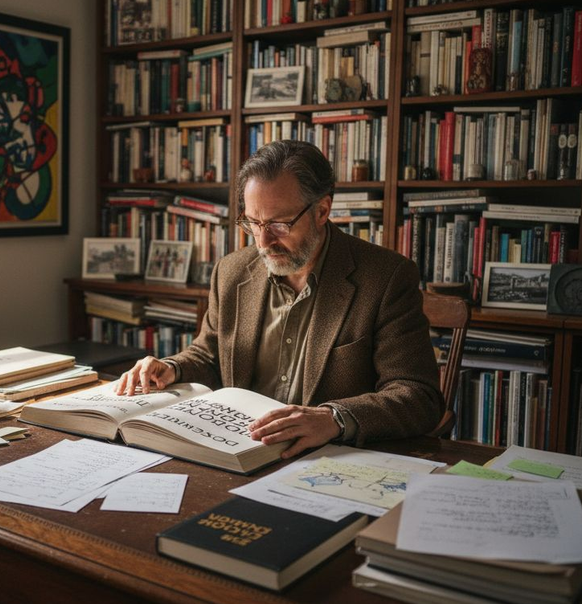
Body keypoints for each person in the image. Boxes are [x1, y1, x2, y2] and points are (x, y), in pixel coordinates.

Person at [114, 140, 443, 458]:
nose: (263, 241)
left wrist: (333, 418)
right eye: (253, 223)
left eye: (279, 224)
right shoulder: (231, 272)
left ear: (322, 210)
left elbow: (418, 396)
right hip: (234, 449)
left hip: (329, 458)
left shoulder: (385, 278)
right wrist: (171, 368)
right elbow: (209, 354)